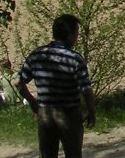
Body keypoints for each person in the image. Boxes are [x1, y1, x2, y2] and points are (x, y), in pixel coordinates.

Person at [17, 14, 96, 158]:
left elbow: (19, 83)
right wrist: (91, 111)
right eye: (76, 33)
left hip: (45, 114)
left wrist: (33, 102)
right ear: (70, 35)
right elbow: (86, 89)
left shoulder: (37, 55)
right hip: (69, 114)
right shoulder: (75, 59)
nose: (77, 37)